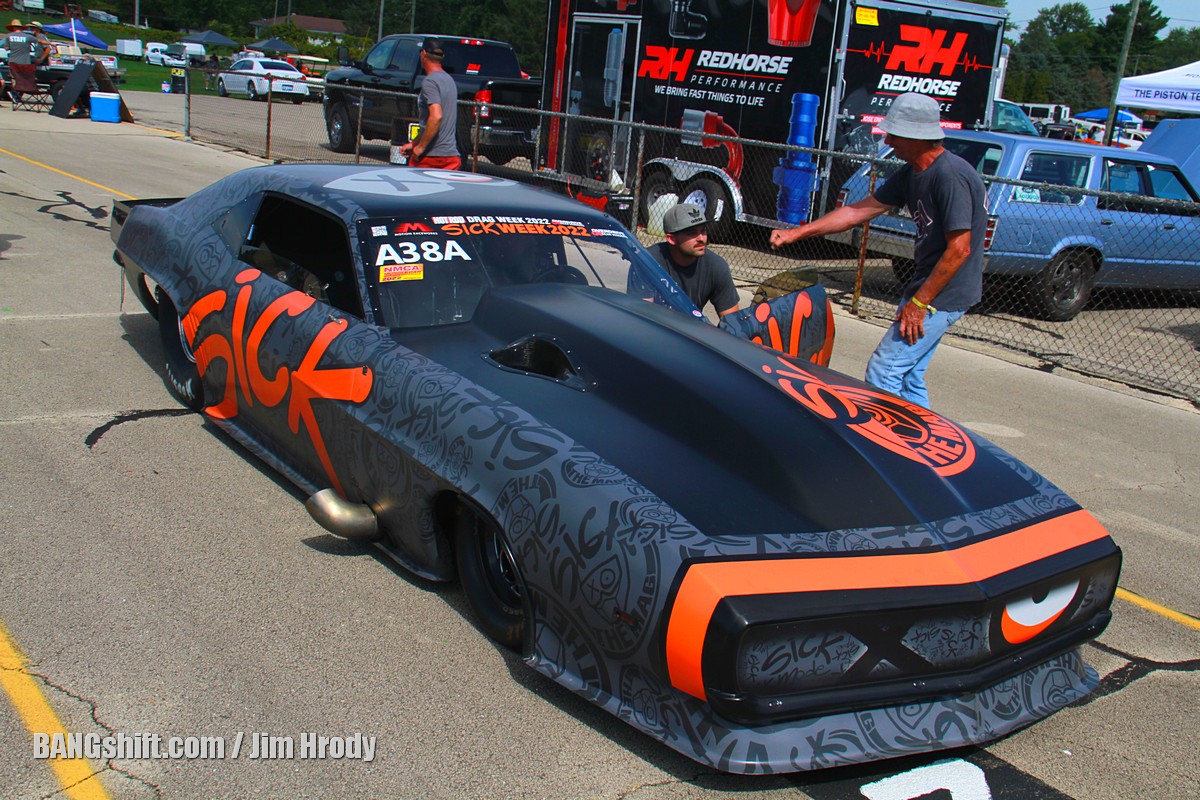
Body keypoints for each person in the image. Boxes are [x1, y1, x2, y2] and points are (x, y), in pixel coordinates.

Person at [769, 92, 985, 408]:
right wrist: (798, 232)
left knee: (884, 372)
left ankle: (886, 448)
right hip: (927, 287)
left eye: (893, 133)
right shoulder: (912, 173)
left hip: (943, 294)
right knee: (909, 377)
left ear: (917, 135)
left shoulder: (949, 175)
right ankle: (921, 449)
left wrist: (919, 304)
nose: (888, 139)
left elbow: (959, 249)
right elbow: (858, 211)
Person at [648, 202, 740, 318]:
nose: (702, 238)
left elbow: (733, 322)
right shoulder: (648, 262)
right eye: (692, 233)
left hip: (690, 330)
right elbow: (640, 317)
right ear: (671, 239)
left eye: (703, 230)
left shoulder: (716, 266)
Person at [399, 38, 460, 170]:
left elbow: (436, 117)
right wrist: (414, 144)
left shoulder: (430, 82)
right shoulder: (449, 80)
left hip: (431, 158)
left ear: (424, 54)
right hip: (450, 156)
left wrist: (420, 148)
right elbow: (427, 124)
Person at [3, 19, 39, 102]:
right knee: (24, 80)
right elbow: (38, 41)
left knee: (14, 79)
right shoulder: (27, 37)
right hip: (26, 63)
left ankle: (15, 96)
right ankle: (19, 95)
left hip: (13, 62)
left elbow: (6, 47)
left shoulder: (9, 36)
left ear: (13, 28)